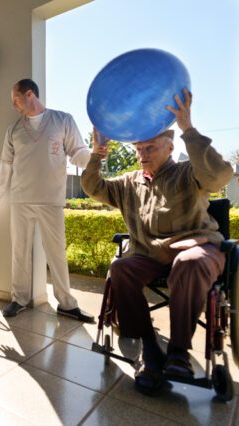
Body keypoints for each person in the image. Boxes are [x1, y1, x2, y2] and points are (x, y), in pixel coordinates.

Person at [80, 90, 234, 395]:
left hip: (196, 247)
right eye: (139, 148)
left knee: (189, 261)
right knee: (121, 267)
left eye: (150, 147)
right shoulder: (129, 183)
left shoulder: (188, 173)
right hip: (150, 254)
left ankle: (178, 352)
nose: (142, 153)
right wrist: (97, 154)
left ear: (170, 146)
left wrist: (188, 128)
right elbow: (92, 187)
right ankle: (149, 350)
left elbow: (220, 175)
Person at [0, 78, 94, 321]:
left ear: (29, 94)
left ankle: (66, 303)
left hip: (51, 200)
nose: (14, 106)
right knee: (20, 252)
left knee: (57, 254)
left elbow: (78, 154)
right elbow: (5, 169)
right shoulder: (14, 131)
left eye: (15, 100)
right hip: (20, 200)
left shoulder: (62, 120)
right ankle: (19, 299)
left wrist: (96, 158)